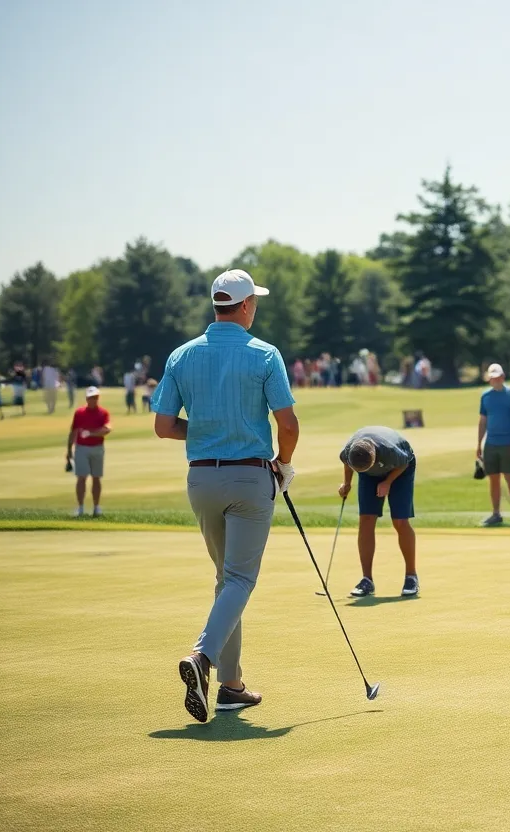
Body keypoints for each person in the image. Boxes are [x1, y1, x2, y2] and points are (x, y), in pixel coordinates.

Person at [153, 268, 299, 723]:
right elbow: (288, 425)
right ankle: (202, 657)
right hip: (251, 479)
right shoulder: (264, 354)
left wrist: (209, 433)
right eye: (254, 301)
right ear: (246, 306)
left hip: (201, 480)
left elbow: (163, 425)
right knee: (239, 580)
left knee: (225, 581)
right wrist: (284, 464)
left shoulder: (182, 355)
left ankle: (231, 687)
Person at [338, 427, 419, 598]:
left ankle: (411, 577)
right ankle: (367, 580)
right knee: (366, 520)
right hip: (368, 472)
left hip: (401, 469)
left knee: (400, 521)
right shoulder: (349, 451)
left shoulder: (391, 450)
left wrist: (388, 482)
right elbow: (348, 464)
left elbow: (404, 463)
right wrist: (347, 483)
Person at [477, 363, 510, 527]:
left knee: (509, 477)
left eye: (498, 377)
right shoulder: (486, 397)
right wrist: (479, 444)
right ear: (489, 379)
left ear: (503, 377)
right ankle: (496, 513)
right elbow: (483, 421)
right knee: (493, 480)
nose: (495, 380)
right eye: (492, 378)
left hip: (508, 443)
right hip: (491, 444)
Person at [66, 386, 112, 517]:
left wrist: (91, 433)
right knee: (81, 478)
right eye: (92, 397)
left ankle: (96, 508)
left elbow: (107, 429)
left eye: (96, 397)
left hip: (98, 448)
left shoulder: (103, 413)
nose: (94, 400)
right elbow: (73, 432)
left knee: (96, 478)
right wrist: (69, 450)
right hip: (81, 448)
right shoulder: (79, 413)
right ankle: (80, 508)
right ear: (87, 398)